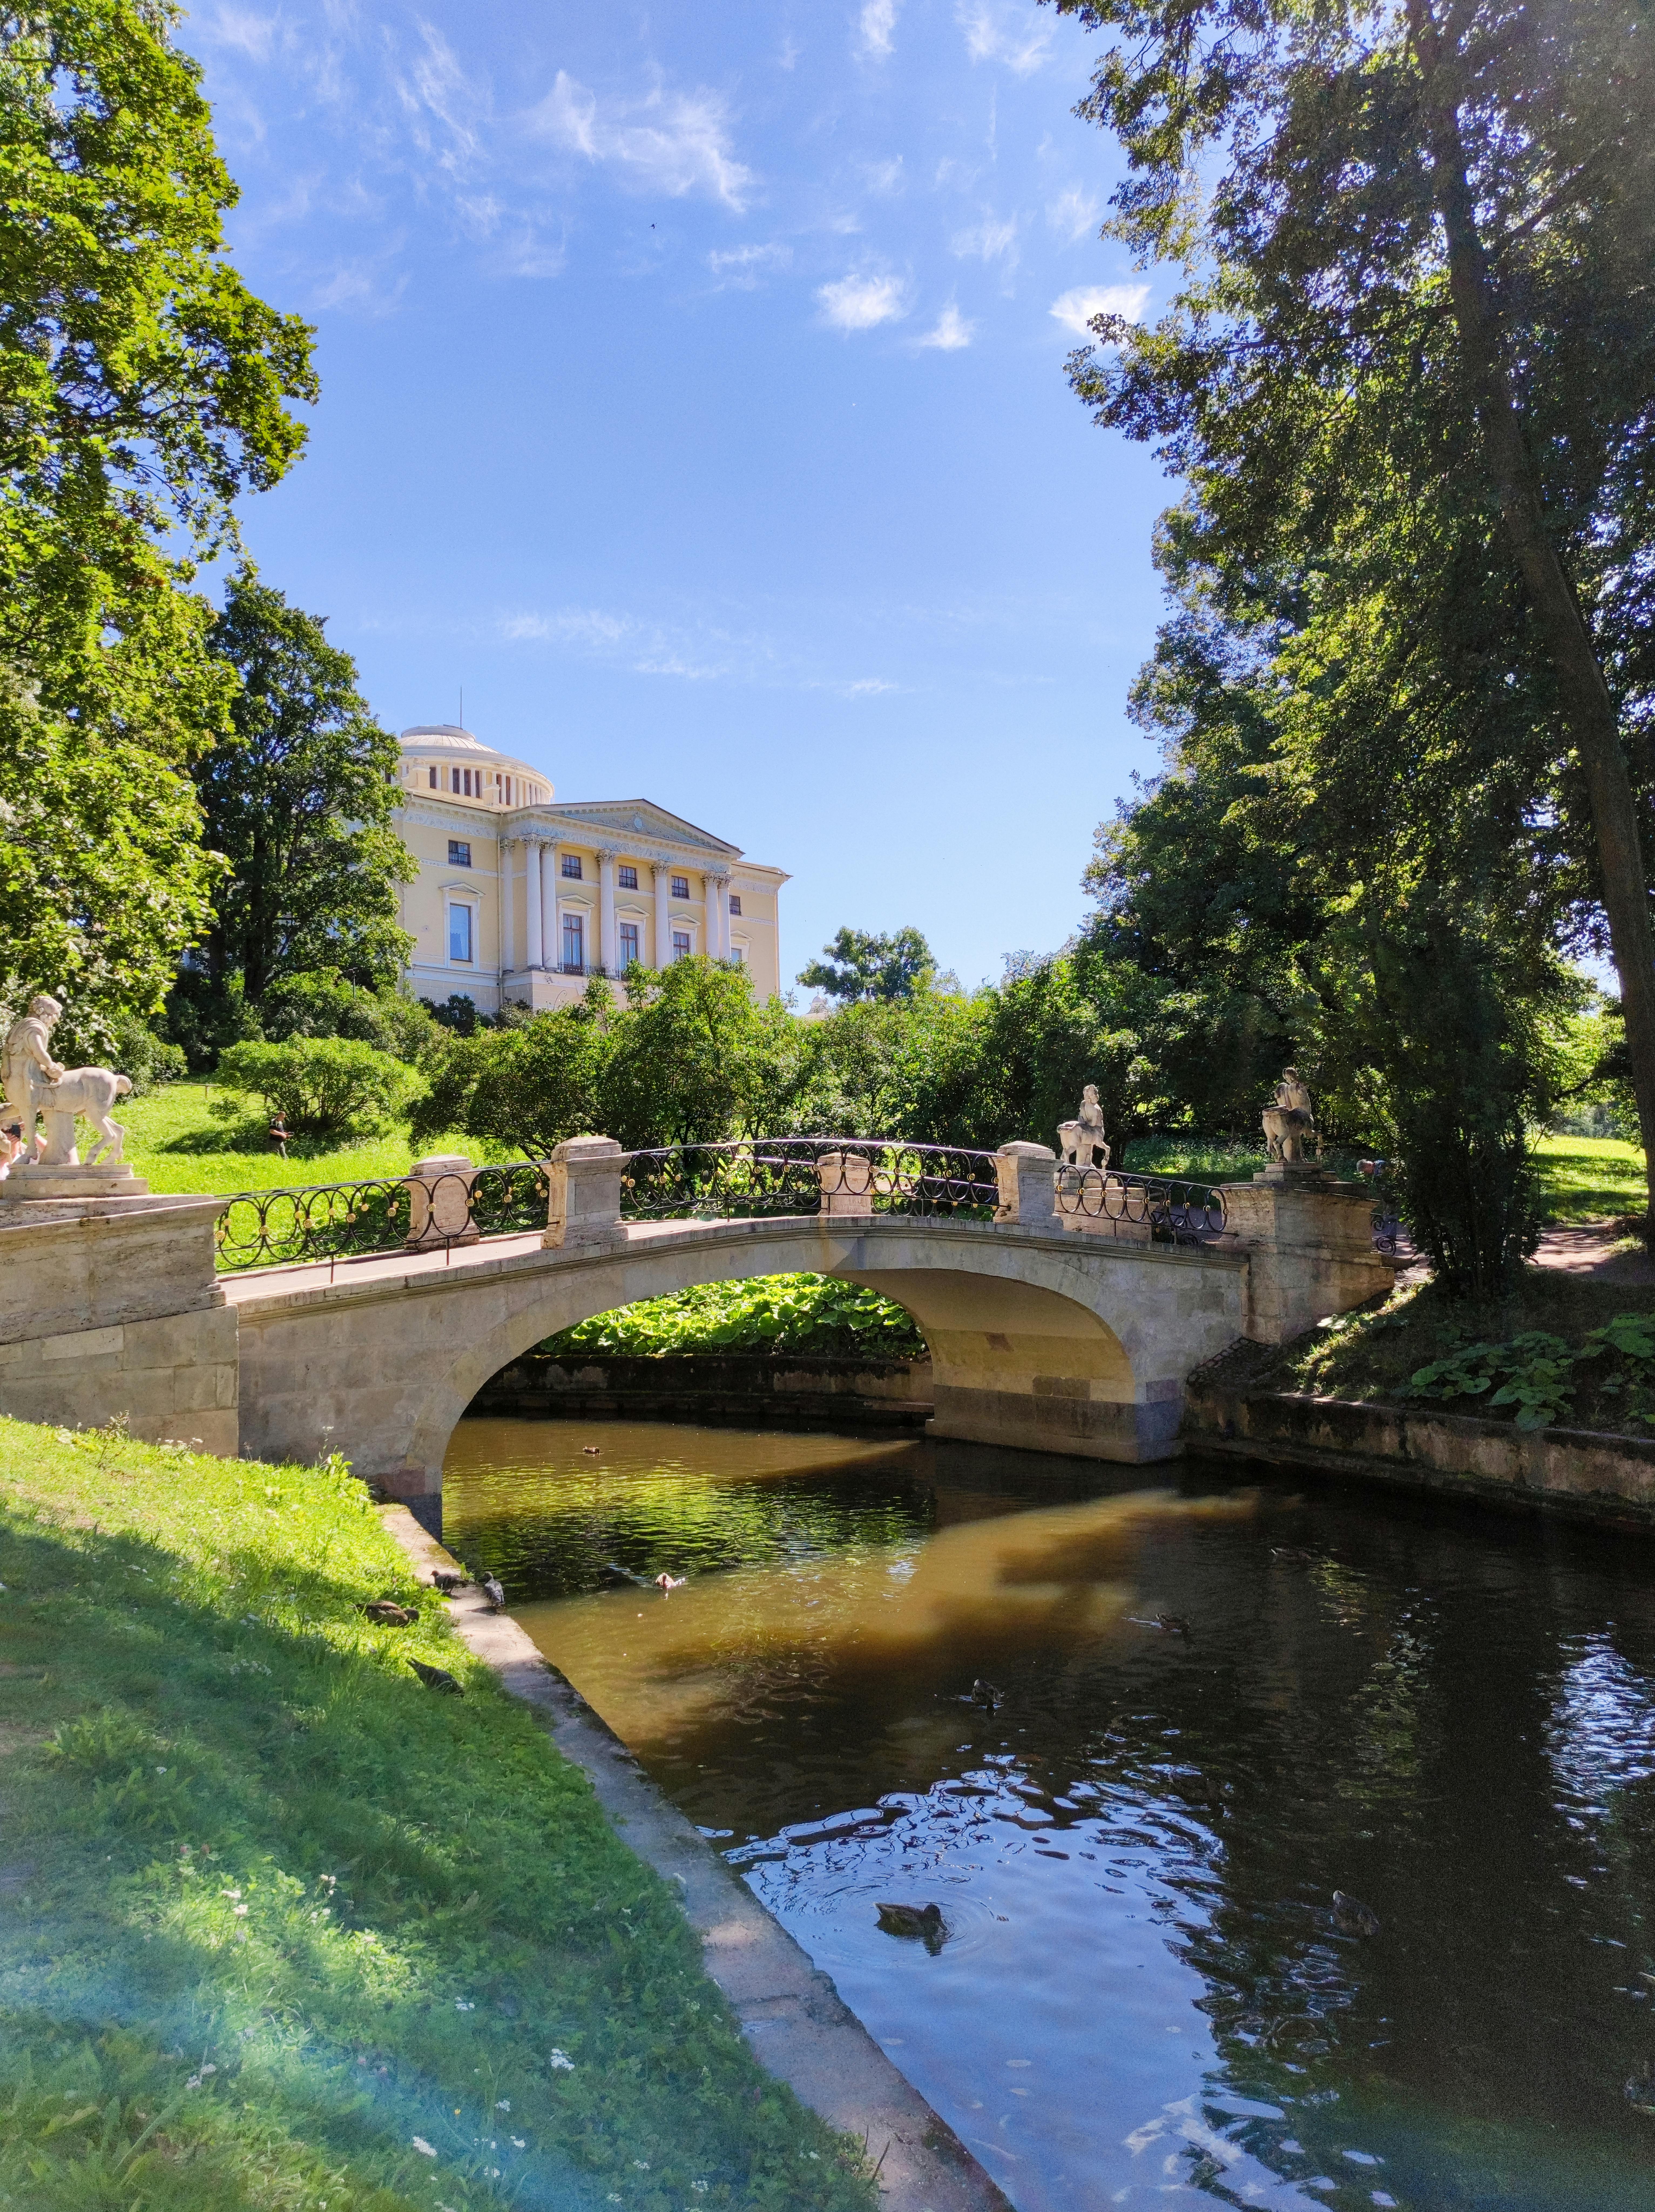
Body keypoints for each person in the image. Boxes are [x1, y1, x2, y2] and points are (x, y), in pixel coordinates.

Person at [0, 995, 65, 1161]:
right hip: (28, 1079)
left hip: (13, 1080)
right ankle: (34, 1149)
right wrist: (52, 1067)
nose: (53, 1022)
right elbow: (39, 1052)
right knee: (60, 1099)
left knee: (20, 1109)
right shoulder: (35, 1027)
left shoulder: (19, 1027)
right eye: (53, 1017)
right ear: (44, 1013)